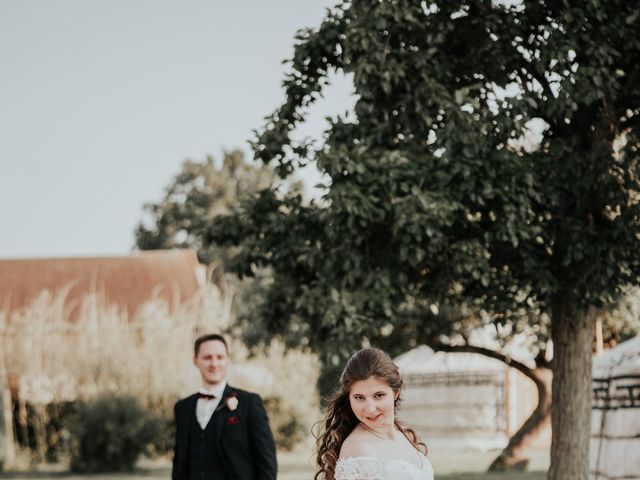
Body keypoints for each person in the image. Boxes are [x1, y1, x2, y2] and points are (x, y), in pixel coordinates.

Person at [314, 347, 434, 480]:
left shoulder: (404, 434)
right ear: (349, 398)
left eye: (378, 395)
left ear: (395, 392)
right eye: (359, 397)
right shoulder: (359, 448)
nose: (370, 409)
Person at [172, 333, 277, 480]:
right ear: (195, 361)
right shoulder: (182, 408)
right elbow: (179, 464)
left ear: (228, 360)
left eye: (220, 357)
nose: (214, 364)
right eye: (207, 357)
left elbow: (267, 463)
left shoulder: (249, 403)